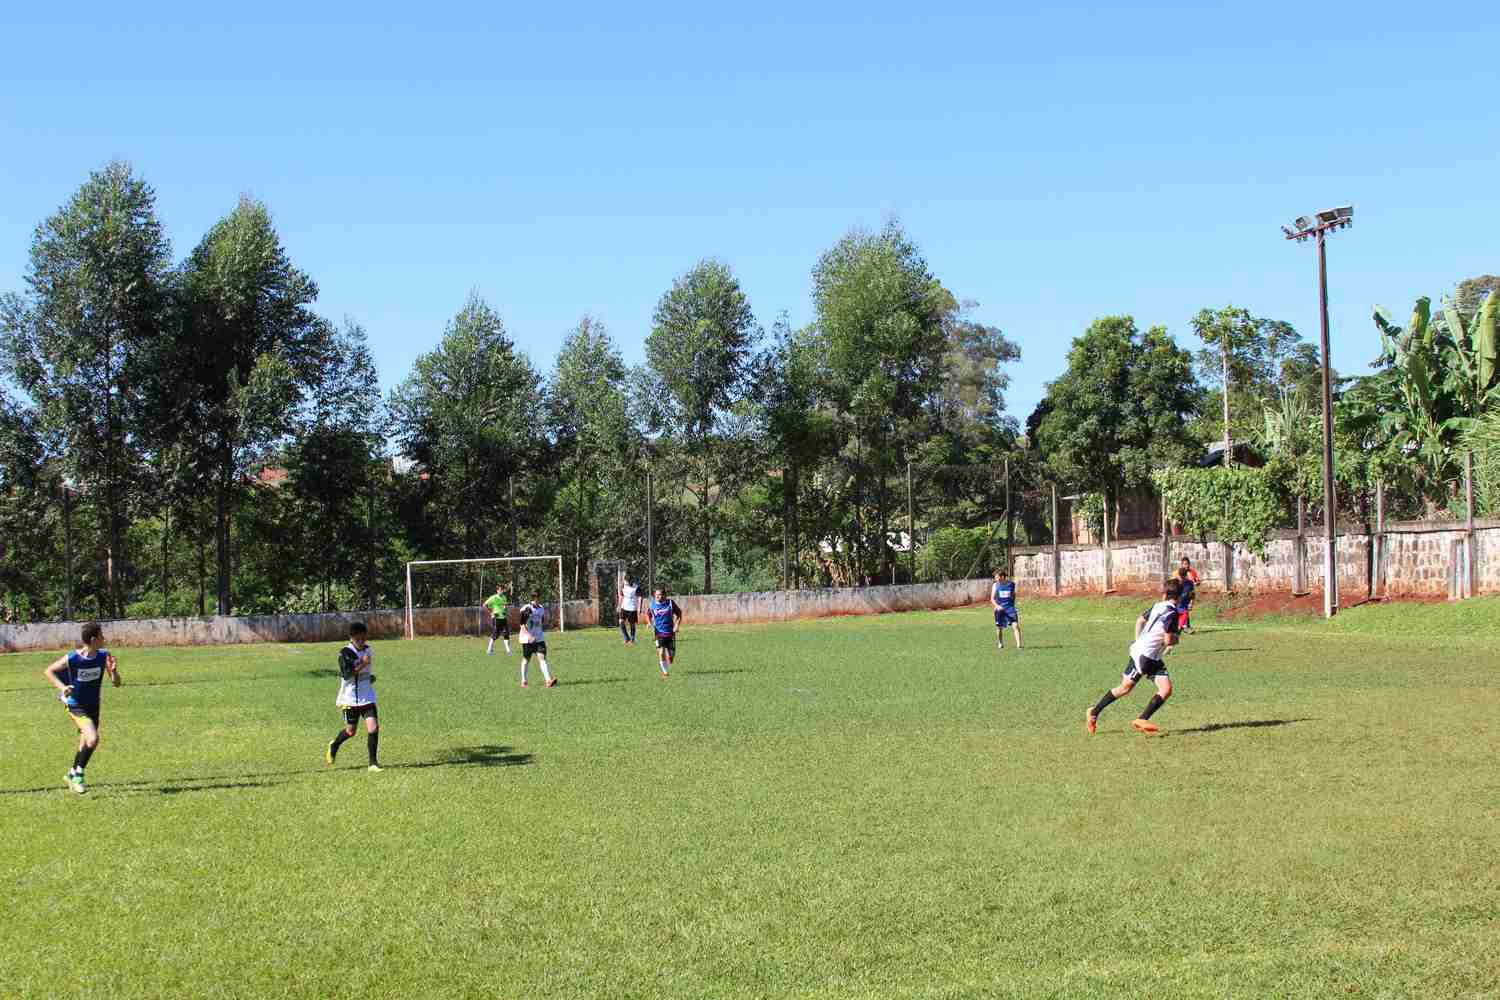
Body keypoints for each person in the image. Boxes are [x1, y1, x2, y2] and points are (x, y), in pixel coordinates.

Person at [1085, 577, 1182, 736]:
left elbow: (1140, 620)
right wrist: (1176, 639)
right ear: (1179, 596)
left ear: (1164, 594)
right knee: (1158, 688)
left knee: (1131, 687)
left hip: (1146, 654)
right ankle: (1136, 718)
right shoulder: (1173, 613)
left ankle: (1098, 713)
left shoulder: (1157, 606)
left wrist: (1138, 642)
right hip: (1146, 657)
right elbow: (1168, 640)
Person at [43, 621, 121, 795]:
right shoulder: (73, 658)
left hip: (94, 705)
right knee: (93, 739)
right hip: (75, 705)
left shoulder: (104, 656)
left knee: (85, 743)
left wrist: (114, 671)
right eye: (102, 636)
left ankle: (71, 774)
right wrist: (62, 687)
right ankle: (78, 776)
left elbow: (117, 684)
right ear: (93, 640)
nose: (104, 638)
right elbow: (49, 671)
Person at [326, 621, 382, 772]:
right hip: (349, 699)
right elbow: (347, 674)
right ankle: (334, 744)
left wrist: (369, 677)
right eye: (358, 639)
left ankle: (373, 763)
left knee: (373, 727)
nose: (362, 641)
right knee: (351, 731)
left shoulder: (368, 650)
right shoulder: (345, 653)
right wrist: (362, 665)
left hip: (367, 696)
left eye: (364, 638)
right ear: (351, 637)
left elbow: (365, 672)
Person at [517, 590, 557, 688]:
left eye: (539, 597)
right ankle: (524, 681)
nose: (538, 599)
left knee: (542, 657)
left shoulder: (541, 608)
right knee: (526, 659)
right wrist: (529, 636)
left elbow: (541, 620)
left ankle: (548, 680)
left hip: (539, 638)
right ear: (534, 598)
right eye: (537, 598)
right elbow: (521, 624)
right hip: (527, 639)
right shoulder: (527, 608)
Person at [647, 586, 683, 679]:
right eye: (656, 595)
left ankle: (670, 656)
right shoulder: (652, 605)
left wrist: (676, 625)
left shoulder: (670, 603)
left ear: (665, 595)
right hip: (658, 632)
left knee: (671, 657)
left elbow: (679, 613)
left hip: (670, 632)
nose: (658, 597)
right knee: (661, 652)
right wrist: (649, 622)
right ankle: (665, 673)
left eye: (660, 595)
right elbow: (648, 615)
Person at [991, 568, 1023, 650]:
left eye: (997, 577)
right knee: (999, 628)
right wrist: (997, 606)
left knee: (1016, 626)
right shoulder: (995, 585)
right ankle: (1000, 642)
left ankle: (1019, 645)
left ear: (1002, 577)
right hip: (999, 610)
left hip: (1010, 609)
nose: (995, 579)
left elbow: (1013, 595)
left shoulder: (1011, 584)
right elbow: (992, 598)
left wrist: (1012, 605)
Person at [484, 583, 512, 656]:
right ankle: (489, 649)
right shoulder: (493, 597)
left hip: (503, 618)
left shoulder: (504, 597)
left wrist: (505, 611)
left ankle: (508, 650)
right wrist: (491, 612)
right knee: (496, 634)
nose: (501, 591)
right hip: (496, 618)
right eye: (500, 590)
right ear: (497, 590)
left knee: (506, 634)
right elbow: (485, 604)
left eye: (502, 590)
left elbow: (505, 606)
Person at [618, 574, 641, 646]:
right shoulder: (623, 586)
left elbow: (640, 597)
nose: (626, 582)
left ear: (631, 580)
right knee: (621, 621)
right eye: (625, 581)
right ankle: (626, 638)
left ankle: (633, 638)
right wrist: (619, 605)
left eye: (627, 581)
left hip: (632, 608)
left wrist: (639, 607)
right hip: (624, 607)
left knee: (632, 624)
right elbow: (621, 596)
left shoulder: (636, 587)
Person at [1177, 558, 1200, 634]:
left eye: (1187, 564)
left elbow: (1197, 581)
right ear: (1182, 564)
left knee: (1185, 611)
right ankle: (1182, 626)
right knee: (1182, 611)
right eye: (1184, 564)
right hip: (1180, 596)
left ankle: (1185, 626)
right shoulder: (1178, 572)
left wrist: (1197, 582)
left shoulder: (1192, 572)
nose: (1186, 565)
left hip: (1188, 594)